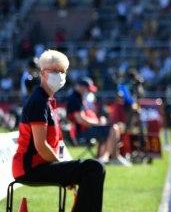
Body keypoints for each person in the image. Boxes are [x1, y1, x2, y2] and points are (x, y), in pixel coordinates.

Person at [12, 49, 105, 212]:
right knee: (94, 168)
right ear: (42, 73)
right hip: (30, 169)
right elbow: (41, 146)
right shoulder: (39, 101)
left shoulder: (47, 100)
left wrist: (66, 169)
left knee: (93, 168)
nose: (60, 75)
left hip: (40, 165)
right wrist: (64, 168)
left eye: (62, 71)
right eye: (54, 71)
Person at [66, 76, 131, 165]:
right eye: (87, 89)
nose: (89, 92)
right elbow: (80, 120)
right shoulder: (75, 99)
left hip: (86, 129)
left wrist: (99, 122)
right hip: (81, 132)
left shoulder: (78, 97)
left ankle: (104, 157)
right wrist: (98, 123)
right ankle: (111, 157)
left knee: (113, 128)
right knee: (113, 128)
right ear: (81, 87)